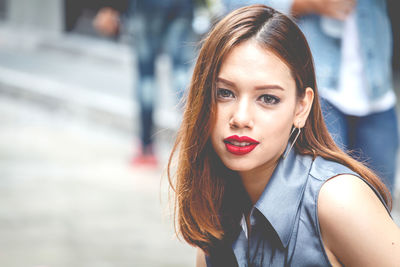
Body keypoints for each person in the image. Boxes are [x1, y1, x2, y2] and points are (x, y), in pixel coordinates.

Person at [167, 5, 400, 266]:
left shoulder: (338, 199)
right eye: (225, 93)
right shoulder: (213, 222)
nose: (241, 118)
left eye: (268, 98)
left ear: (302, 107)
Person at [222, 0, 399, 194]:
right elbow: (236, 5)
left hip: (376, 86)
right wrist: (307, 3)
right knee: (319, 196)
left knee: (379, 198)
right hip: (317, 82)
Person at [93, 0, 195, 167]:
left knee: (147, 76)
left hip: (147, 6)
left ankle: (146, 148)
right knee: (181, 73)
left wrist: (110, 6)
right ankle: (195, 146)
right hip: (181, 4)